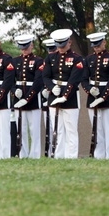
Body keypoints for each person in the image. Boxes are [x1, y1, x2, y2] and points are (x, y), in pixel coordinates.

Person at [43, 28, 86, 159]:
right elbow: (46, 76)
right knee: (57, 129)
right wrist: (51, 87)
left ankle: (71, 156)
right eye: (58, 45)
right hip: (53, 95)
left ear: (69, 42)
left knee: (71, 130)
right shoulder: (51, 57)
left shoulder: (77, 59)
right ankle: (58, 156)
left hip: (70, 97)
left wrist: (64, 95)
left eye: (63, 45)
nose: (61, 48)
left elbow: (74, 80)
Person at [83, 32, 109, 159]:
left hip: (107, 96)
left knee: (108, 129)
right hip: (92, 95)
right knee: (96, 129)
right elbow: (83, 79)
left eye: (98, 45)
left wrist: (104, 96)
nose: (96, 48)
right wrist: (89, 89)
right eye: (94, 46)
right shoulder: (88, 59)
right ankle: (99, 155)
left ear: (104, 42)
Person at [11, 35, 45, 158]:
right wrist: (14, 90)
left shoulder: (38, 61)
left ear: (31, 45)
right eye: (22, 48)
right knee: (21, 129)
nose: (24, 50)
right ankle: (22, 153)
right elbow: (10, 79)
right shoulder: (15, 61)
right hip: (18, 98)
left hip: (33, 99)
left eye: (26, 47)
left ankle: (35, 154)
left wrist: (27, 98)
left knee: (34, 130)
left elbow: (38, 82)